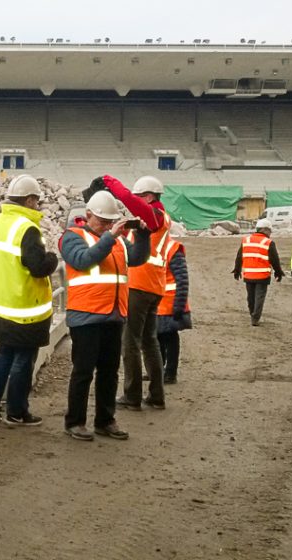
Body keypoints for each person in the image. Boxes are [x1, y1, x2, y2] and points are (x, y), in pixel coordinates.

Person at [60, 190, 151, 442]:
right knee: (83, 371)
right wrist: (110, 237)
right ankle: (75, 422)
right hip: (86, 316)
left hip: (113, 316)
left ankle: (105, 420)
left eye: (111, 221)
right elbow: (83, 260)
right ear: (88, 216)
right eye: (103, 221)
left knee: (109, 372)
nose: (108, 225)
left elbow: (137, 258)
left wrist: (142, 235)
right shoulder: (72, 237)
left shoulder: (118, 240)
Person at [0, 174, 59, 426]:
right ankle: (17, 411)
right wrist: (53, 259)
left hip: (1, 305)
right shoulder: (27, 228)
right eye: (37, 201)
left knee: (5, 354)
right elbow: (37, 266)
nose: (38, 206)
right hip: (26, 308)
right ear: (29, 199)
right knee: (24, 360)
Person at [105, 175, 171, 411]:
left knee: (130, 341)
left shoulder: (155, 216)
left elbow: (129, 200)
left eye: (141, 196)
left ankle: (132, 396)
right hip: (154, 285)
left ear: (150, 197)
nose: (137, 202)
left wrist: (112, 184)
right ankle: (156, 395)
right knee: (149, 341)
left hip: (140, 285)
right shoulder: (160, 218)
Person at [232, 218, 284, 326]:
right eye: (269, 231)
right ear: (265, 230)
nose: (270, 233)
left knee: (250, 296)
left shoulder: (246, 240)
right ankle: (255, 317)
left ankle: (252, 313)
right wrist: (278, 272)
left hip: (249, 274)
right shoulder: (269, 242)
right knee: (259, 297)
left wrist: (237, 270)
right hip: (262, 275)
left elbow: (239, 257)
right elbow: (275, 259)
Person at [156, 238, 191, 385]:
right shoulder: (147, 243)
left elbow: (182, 279)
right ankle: (158, 370)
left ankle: (170, 373)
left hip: (169, 302)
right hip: (155, 302)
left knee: (169, 338)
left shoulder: (171, 247)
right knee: (157, 339)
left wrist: (179, 305)